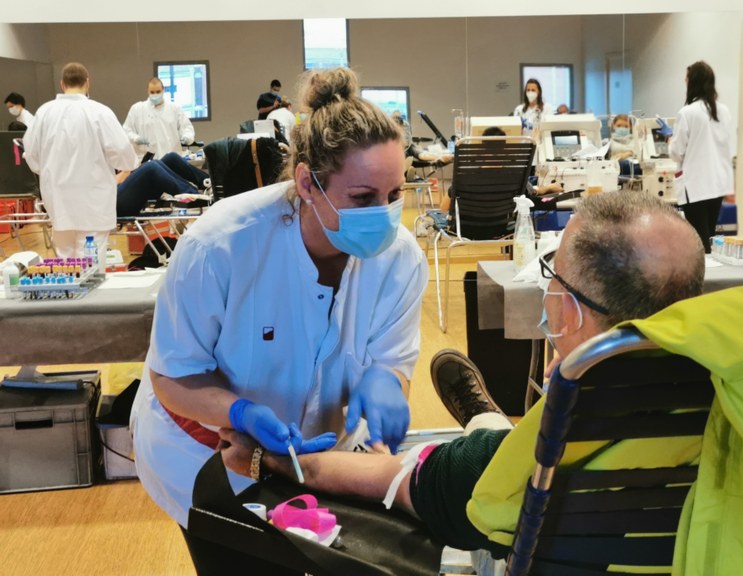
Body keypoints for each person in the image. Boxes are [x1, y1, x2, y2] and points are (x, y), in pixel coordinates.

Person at [220, 191, 706, 574]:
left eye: (553, 276)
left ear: (572, 309)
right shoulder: (739, 404)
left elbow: (383, 478)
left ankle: (481, 414)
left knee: (485, 445)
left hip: (517, 505)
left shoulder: (514, 464)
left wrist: (262, 458)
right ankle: (481, 411)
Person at [130, 66, 429, 574]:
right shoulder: (220, 245)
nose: (384, 215)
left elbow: (391, 359)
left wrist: (385, 382)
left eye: (395, 195)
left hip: (317, 458)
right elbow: (172, 375)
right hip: (204, 453)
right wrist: (241, 413)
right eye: (363, 198)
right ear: (308, 182)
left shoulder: (400, 259)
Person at [23, 62, 136, 259]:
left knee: (65, 262)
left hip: (58, 199)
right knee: (92, 266)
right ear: (87, 83)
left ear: (62, 84)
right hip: (93, 201)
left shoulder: (44, 113)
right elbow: (123, 155)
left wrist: (52, 172)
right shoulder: (100, 112)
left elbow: (31, 155)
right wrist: (127, 165)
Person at [664, 61, 733, 253]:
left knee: (699, 241)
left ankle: (703, 280)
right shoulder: (724, 110)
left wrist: (670, 137)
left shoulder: (687, 112)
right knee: (709, 237)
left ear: (692, 82)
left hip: (695, 186)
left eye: (686, 79)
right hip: (717, 184)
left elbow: (677, 152)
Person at [116, 152, 209, 217]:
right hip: (114, 204)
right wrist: (127, 170)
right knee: (151, 167)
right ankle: (194, 196)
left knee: (170, 158)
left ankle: (207, 183)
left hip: (120, 193)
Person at [123, 77, 195, 160]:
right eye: (152, 92)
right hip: (146, 161)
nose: (155, 95)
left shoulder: (174, 109)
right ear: (148, 91)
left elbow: (187, 128)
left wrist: (187, 137)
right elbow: (126, 131)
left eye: (158, 92)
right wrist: (136, 138)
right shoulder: (137, 109)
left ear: (163, 90)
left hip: (170, 159)